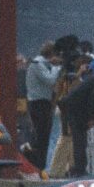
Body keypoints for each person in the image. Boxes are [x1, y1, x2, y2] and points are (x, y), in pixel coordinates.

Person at [26, 41, 60, 170]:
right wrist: (57, 67)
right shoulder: (38, 64)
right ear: (52, 54)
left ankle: (40, 167)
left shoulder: (43, 64)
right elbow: (50, 80)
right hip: (39, 103)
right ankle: (37, 167)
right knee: (41, 137)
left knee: (44, 137)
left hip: (43, 103)